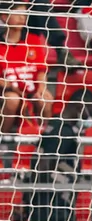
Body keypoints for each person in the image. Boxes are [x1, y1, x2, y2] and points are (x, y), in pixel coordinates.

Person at [24, 89, 92, 221]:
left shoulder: (55, 123)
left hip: (50, 202)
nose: (90, 119)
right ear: (80, 107)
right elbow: (43, 164)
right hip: (55, 205)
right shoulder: (64, 131)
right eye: (89, 113)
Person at [0, 2, 52, 133]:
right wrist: (12, 86)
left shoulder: (33, 40)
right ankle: (3, 139)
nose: (22, 18)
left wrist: (41, 88)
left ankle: (42, 138)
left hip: (30, 92)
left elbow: (41, 70)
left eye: (24, 15)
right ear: (5, 17)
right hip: (7, 92)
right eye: (18, 14)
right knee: (12, 100)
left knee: (45, 98)